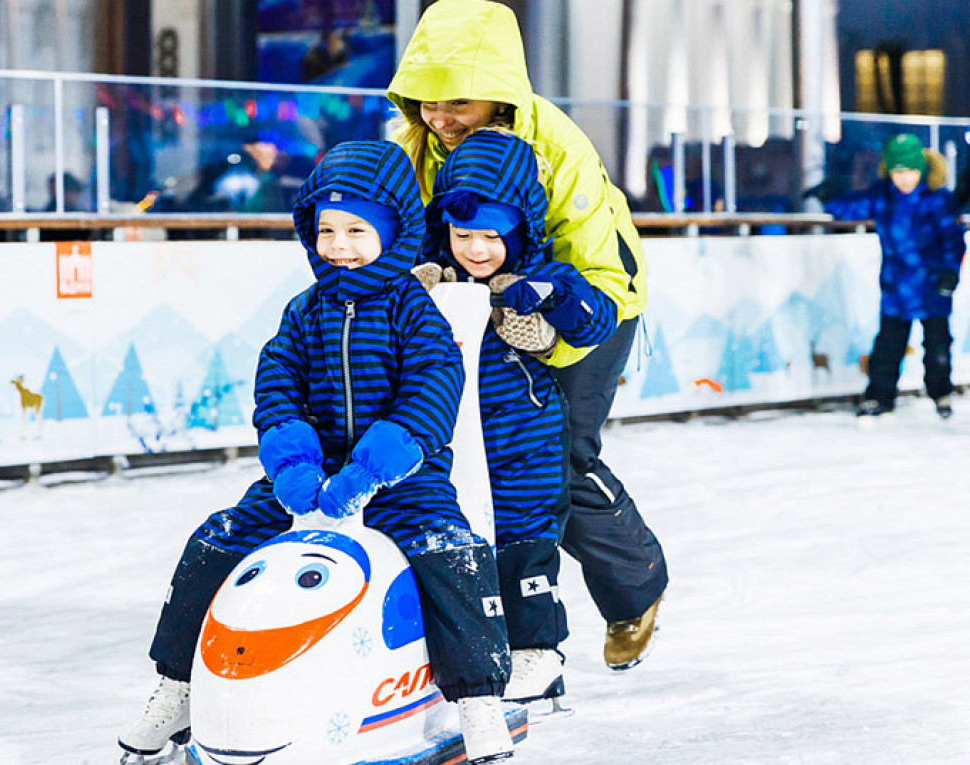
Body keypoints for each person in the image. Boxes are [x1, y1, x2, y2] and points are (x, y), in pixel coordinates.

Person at [119, 140, 517, 763]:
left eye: (358, 230)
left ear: (396, 230)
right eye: (326, 229)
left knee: (452, 553)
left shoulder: (415, 313)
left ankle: (477, 699)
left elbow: (435, 388)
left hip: (404, 481)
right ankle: (177, 688)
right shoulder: (303, 312)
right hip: (307, 481)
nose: (340, 245)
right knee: (216, 538)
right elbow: (276, 384)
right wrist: (291, 461)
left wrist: (380, 462)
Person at [387, 0, 668, 671]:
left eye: (456, 100)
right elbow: (392, 236)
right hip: (478, 305)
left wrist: (548, 334)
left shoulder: (557, 148)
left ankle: (636, 586)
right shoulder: (416, 145)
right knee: (459, 459)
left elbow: (599, 269)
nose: (439, 117)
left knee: (554, 456)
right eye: (424, 101)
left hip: (588, 303)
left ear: (501, 90)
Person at [415, 130, 618, 705]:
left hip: (524, 449)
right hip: (456, 445)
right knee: (458, 551)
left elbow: (595, 320)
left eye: (491, 236)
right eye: (463, 234)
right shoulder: (438, 277)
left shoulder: (544, 275)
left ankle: (538, 655)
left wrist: (550, 294)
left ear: (521, 229)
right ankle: (463, 657)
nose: (476, 250)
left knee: (524, 551)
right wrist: (416, 289)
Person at [823, 134, 965, 419]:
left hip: (932, 286)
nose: (903, 178)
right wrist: (830, 196)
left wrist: (950, 272)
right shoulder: (883, 195)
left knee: (937, 344)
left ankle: (941, 393)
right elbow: (853, 206)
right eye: (897, 171)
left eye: (910, 171)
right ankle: (879, 397)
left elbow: (952, 239)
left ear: (921, 170)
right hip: (896, 287)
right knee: (888, 346)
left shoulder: (936, 200)